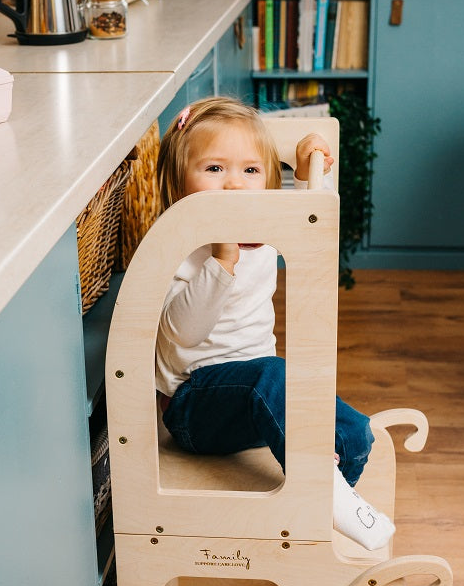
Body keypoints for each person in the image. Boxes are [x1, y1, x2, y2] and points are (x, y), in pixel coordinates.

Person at [155, 95, 394, 550]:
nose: (234, 186)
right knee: (274, 374)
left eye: (249, 171)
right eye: (213, 169)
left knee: (354, 432)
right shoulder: (179, 249)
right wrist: (221, 258)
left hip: (258, 401)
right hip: (193, 407)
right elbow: (183, 335)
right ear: (179, 184)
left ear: (267, 181)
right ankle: (321, 493)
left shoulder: (264, 233)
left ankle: (320, 507)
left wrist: (309, 163)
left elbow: (315, 217)